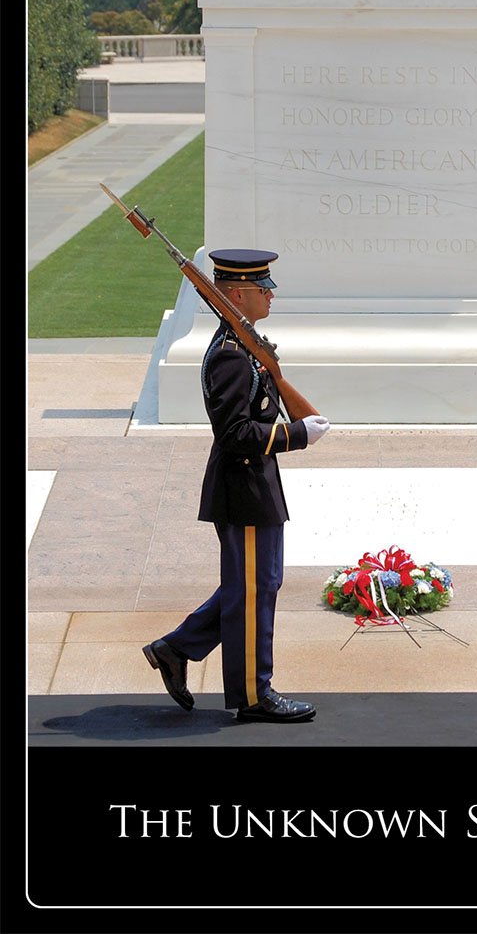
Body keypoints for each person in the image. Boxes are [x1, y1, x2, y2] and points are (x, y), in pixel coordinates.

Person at [143, 248, 330, 723]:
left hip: (256, 486)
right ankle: (252, 695)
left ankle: (176, 648)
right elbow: (233, 435)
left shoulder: (246, 347)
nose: (271, 296)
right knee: (252, 590)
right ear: (239, 295)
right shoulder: (230, 357)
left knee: (258, 584)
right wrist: (297, 434)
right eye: (264, 289)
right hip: (243, 488)